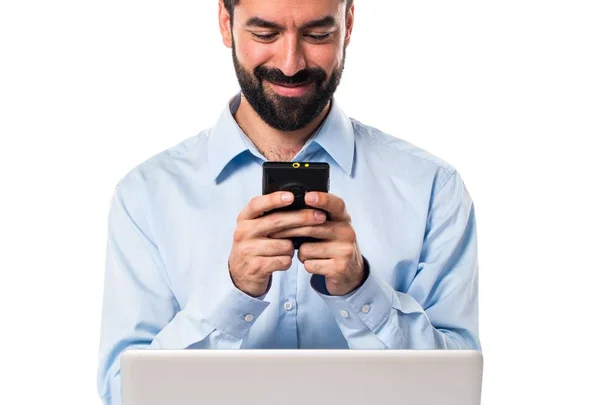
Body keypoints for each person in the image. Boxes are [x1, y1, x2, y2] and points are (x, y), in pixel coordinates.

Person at [97, 0, 481, 403]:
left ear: (348, 24)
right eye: (265, 34)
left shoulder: (433, 188)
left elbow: (456, 394)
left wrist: (361, 290)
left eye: (318, 35)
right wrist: (233, 291)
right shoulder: (145, 196)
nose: (291, 63)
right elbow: (124, 394)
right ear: (226, 24)